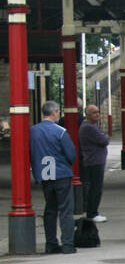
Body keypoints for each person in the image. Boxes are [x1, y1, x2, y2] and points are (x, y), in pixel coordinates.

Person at [29, 101, 78, 254]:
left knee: (50, 209)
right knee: (65, 210)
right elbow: (71, 155)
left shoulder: (33, 131)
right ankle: (68, 244)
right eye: (58, 112)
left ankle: (51, 244)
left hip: (44, 173)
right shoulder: (60, 131)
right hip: (61, 172)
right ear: (55, 112)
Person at [79, 104, 110, 222]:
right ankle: (92, 213)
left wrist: (103, 136)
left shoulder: (90, 126)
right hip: (94, 161)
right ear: (87, 114)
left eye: (98, 112)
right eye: (94, 112)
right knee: (95, 188)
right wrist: (104, 136)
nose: (97, 114)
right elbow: (104, 140)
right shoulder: (89, 127)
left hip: (95, 160)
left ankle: (92, 212)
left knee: (95, 187)